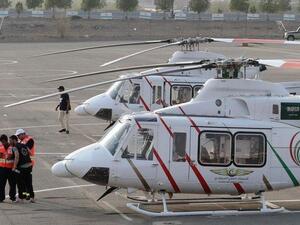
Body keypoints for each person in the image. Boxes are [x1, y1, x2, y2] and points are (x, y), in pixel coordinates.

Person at [9, 135, 34, 203]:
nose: (9, 142)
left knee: (20, 184)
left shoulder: (14, 147)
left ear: (14, 140)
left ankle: (21, 198)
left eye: (10, 140)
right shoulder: (23, 145)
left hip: (22, 167)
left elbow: (17, 157)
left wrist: (14, 167)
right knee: (28, 183)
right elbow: (30, 153)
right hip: (29, 165)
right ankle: (31, 197)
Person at [0, 135, 16, 202]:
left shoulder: (12, 147)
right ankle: (1, 198)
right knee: (1, 184)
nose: (3, 143)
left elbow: (16, 157)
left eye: (3, 141)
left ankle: (12, 197)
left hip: (10, 169)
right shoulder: (0, 147)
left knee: (12, 184)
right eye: (1, 142)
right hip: (2, 168)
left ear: (6, 140)